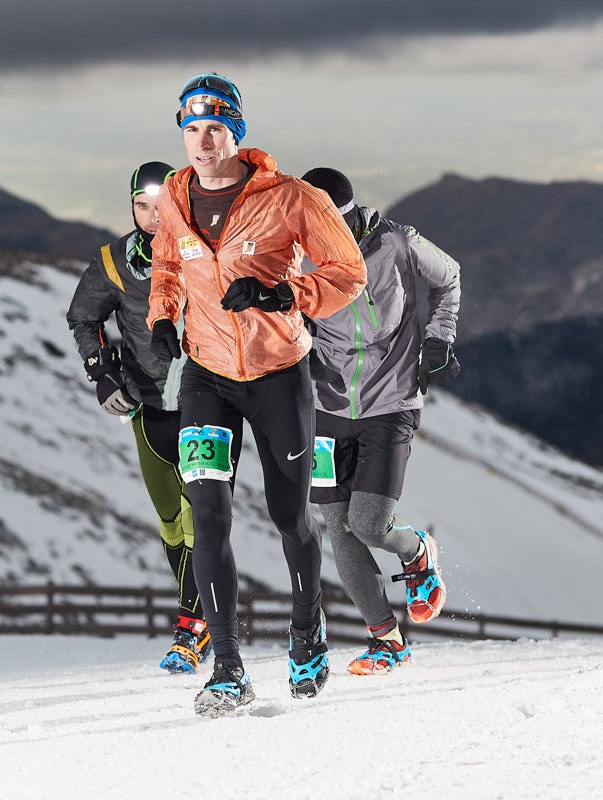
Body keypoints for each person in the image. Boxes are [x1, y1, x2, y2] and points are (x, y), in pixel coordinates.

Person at [146, 74, 367, 716]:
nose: (202, 141)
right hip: (207, 377)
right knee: (208, 518)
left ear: (236, 132)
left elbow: (346, 273)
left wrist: (283, 296)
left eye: (215, 127)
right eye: (191, 129)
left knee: (288, 515)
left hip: (277, 375)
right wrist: (163, 317)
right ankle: (227, 669)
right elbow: (166, 264)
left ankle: (306, 634)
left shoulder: (291, 197)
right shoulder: (175, 199)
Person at [300, 166, 461, 675]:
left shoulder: (395, 243)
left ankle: (417, 555)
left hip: (391, 402)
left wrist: (438, 339)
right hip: (326, 406)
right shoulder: (296, 257)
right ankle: (387, 642)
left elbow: (450, 276)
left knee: (368, 523)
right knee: (336, 524)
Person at [67, 161, 212, 674]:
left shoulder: (205, 250)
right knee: (172, 523)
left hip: (207, 401)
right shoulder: (113, 262)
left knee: (202, 520)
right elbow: (83, 316)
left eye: (160, 205)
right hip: (148, 406)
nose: (152, 216)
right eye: (141, 206)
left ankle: (192, 631)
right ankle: (202, 614)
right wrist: (102, 374)